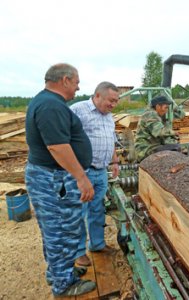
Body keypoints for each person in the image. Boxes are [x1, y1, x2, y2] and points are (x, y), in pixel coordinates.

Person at [25, 63, 96, 296]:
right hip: (54, 180)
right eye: (76, 82)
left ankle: (59, 273)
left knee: (56, 230)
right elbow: (57, 146)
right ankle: (64, 285)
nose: (78, 87)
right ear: (65, 80)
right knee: (61, 231)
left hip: (52, 178)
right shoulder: (50, 106)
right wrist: (81, 177)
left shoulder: (48, 102)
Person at [70, 82, 120, 267]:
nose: (113, 105)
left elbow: (111, 140)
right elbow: (64, 140)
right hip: (83, 171)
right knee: (78, 212)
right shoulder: (78, 110)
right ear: (97, 95)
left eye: (116, 101)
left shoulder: (109, 116)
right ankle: (78, 252)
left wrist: (114, 161)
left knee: (97, 209)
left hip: (101, 171)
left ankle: (97, 244)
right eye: (111, 100)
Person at [134, 95, 181, 162]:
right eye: (166, 108)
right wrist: (173, 133)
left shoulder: (156, 115)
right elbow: (159, 131)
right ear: (158, 106)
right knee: (174, 149)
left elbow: (181, 114)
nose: (166, 110)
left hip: (152, 146)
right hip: (144, 149)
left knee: (174, 147)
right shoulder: (150, 114)